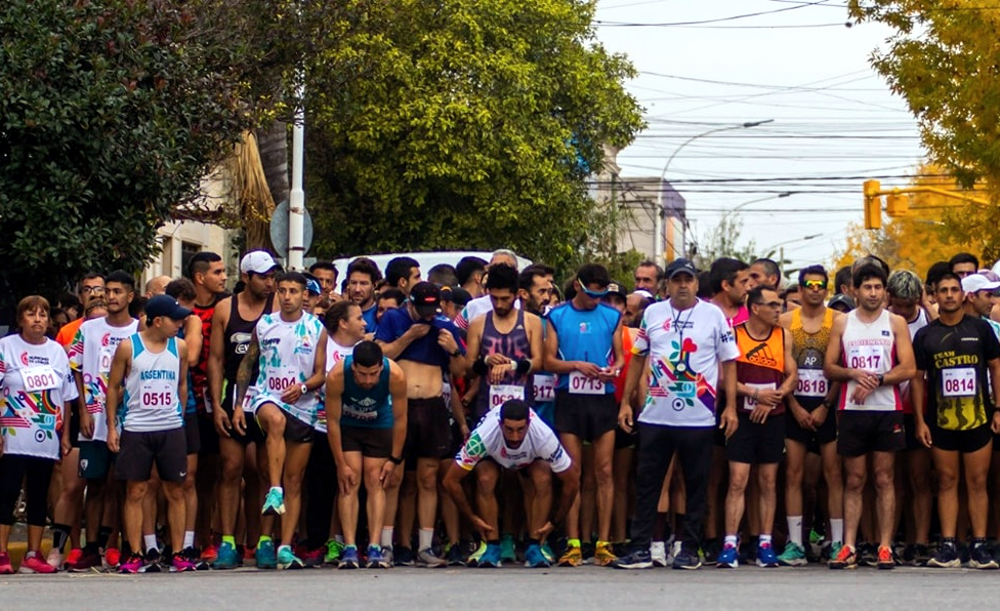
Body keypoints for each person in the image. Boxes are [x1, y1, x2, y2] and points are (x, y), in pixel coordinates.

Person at [612, 258, 740, 570]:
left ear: (697, 283)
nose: (683, 285)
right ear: (666, 284)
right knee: (647, 485)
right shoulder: (653, 313)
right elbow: (638, 357)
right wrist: (628, 402)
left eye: (688, 279)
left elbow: (729, 362)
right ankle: (641, 547)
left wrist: (732, 407)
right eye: (677, 280)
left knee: (696, 484)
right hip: (656, 415)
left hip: (698, 417)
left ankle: (689, 549)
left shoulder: (714, 316)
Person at [825, 263, 915, 570]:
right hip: (852, 410)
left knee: (884, 477)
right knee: (854, 478)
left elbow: (908, 368)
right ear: (855, 291)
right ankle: (849, 544)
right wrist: (853, 373)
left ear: (885, 292)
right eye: (867, 287)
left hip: (886, 408)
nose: (873, 293)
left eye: (878, 288)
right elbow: (829, 367)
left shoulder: (896, 323)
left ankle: (885, 545)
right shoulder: (842, 322)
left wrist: (876, 379)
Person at [237, 272, 327, 570]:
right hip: (267, 396)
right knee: (274, 422)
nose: (287, 296)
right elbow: (248, 363)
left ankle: (285, 546)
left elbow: (320, 373)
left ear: (305, 295)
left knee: (296, 480)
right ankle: (273, 488)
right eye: (283, 290)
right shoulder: (265, 325)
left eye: (294, 291)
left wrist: (302, 387)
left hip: (303, 406)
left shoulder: (316, 328)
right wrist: (238, 405)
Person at [912, 272, 1000, 569]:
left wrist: (998, 409)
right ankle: (948, 545)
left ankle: (979, 545)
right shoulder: (926, 335)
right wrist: (921, 421)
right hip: (941, 420)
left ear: (963, 294)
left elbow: (996, 368)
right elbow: (917, 378)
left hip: (978, 418)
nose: (949, 295)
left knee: (978, 481)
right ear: (934, 296)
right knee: (947, 481)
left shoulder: (981, 330)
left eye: (954, 290)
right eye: (943, 291)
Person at [375, 281, 466, 567]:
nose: (427, 316)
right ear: (410, 303)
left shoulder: (444, 327)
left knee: (428, 478)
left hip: (432, 405)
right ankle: (388, 545)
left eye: (432, 310)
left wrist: (453, 350)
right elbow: (380, 354)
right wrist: (408, 337)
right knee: (395, 477)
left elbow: (461, 372)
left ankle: (425, 546)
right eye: (421, 309)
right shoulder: (393, 318)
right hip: (399, 406)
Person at [105, 295, 193, 573]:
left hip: (170, 426)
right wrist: (110, 427)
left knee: (175, 490)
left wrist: (179, 417)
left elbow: (182, 384)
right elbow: (112, 387)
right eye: (175, 319)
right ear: (158, 321)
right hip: (137, 427)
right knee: (136, 490)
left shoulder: (179, 347)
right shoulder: (128, 347)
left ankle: (178, 552)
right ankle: (134, 553)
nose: (180, 324)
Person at [545, 263, 624, 567]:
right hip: (570, 397)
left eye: (601, 295)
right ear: (577, 286)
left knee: (604, 471)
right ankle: (574, 542)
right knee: (573, 473)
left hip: (602, 398)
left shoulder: (612, 316)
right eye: (591, 294)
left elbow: (619, 358)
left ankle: (603, 543)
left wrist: (612, 371)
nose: (595, 301)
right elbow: (548, 361)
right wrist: (577, 365)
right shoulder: (557, 316)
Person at [443, 400, 580, 568]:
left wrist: (554, 522)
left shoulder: (544, 436)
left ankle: (535, 545)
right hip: (493, 453)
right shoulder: (483, 436)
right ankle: (492, 546)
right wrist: (472, 518)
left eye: (520, 430)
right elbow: (450, 481)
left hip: (530, 456)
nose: (515, 437)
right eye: (509, 430)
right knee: (485, 479)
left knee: (543, 478)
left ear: (529, 424)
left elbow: (572, 482)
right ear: (500, 425)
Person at [717, 285, 796, 569]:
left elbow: (792, 375)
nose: (779, 310)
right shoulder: (735, 334)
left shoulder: (782, 335)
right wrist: (753, 394)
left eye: (780, 305)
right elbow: (723, 378)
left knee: (768, 481)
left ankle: (764, 542)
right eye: (773, 305)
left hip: (773, 416)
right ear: (755, 308)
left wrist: (775, 395)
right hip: (742, 414)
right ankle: (729, 543)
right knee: (737, 480)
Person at [65, 270, 139, 571]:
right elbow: (76, 369)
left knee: (125, 486)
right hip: (94, 419)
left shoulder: (140, 329)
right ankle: (91, 547)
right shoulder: (89, 329)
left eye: (117, 292)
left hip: (131, 420)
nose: (110, 297)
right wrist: (83, 410)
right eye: (107, 291)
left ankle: (121, 546)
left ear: (130, 296)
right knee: (94, 485)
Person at [208, 250, 278, 569]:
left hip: (266, 397)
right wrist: (217, 406)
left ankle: (264, 540)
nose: (269, 282)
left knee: (266, 472)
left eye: (272, 276)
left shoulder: (276, 306)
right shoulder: (226, 308)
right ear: (246, 277)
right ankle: (227, 541)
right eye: (263, 277)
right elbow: (216, 360)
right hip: (232, 396)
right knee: (230, 469)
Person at [0, 297, 78, 574]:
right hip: (12, 435)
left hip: (45, 438)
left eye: (43, 315)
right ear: (20, 319)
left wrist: (66, 437)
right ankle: (2, 553)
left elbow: (67, 398)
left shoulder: (57, 351)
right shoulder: (5, 347)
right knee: (7, 493)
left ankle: (33, 555)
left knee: (38, 495)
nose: (37, 319)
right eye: (31, 314)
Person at [777, 266, 845, 566]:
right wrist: (793, 406)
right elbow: (780, 367)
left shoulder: (839, 322)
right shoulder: (784, 322)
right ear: (801, 288)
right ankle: (795, 543)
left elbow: (841, 366)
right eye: (809, 284)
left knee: (833, 475)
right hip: (796, 404)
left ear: (826, 289)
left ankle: (837, 540)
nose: (815, 289)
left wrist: (826, 406)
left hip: (827, 405)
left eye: (820, 284)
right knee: (794, 474)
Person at [325, 341, 407, 569]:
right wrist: (340, 463)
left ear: (381, 367)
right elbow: (331, 422)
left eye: (374, 374)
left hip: (379, 425)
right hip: (348, 425)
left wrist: (394, 459)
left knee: (375, 481)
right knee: (349, 481)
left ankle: (374, 546)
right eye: (362, 374)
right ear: (354, 369)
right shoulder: (337, 375)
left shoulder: (396, 375)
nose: (369, 380)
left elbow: (401, 420)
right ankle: (350, 547)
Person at [304, 300, 368, 566]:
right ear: (343, 322)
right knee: (321, 488)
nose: (365, 323)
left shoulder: (365, 351)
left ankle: (355, 542)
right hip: (321, 426)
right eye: (359, 318)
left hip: (355, 429)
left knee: (355, 488)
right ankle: (317, 544)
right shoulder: (323, 345)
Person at [886, 269, 933, 564]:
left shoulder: (928, 320)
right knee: (890, 479)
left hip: (921, 407)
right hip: (887, 407)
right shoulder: (881, 319)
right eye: (898, 305)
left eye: (909, 305)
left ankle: (920, 540)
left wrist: (927, 306)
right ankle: (887, 540)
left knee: (919, 478)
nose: (903, 311)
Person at [184, 250, 227, 565]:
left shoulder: (226, 308)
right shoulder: (183, 311)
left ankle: (207, 537)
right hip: (185, 402)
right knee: (185, 476)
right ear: (200, 277)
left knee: (212, 474)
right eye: (217, 272)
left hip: (217, 402)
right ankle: (180, 536)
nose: (223, 277)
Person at [455, 249, 521, 331]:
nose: (499, 273)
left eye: (506, 268)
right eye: (494, 268)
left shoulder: (523, 306)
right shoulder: (473, 307)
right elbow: (457, 333)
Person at [346, 257, 383, 332]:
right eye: (353, 283)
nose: (357, 289)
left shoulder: (382, 313)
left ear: (374, 285)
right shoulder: (341, 314)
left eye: (363, 284)